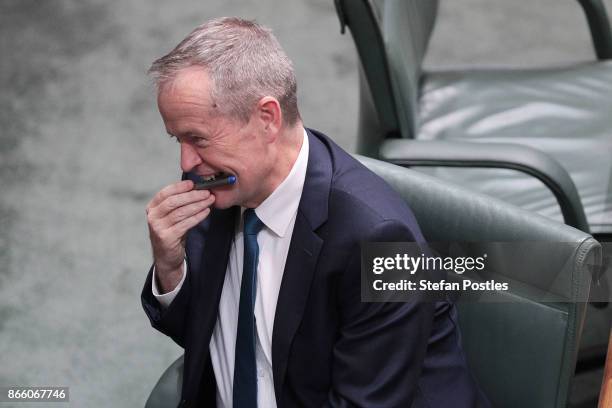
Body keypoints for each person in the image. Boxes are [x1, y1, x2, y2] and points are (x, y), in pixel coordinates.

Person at [141, 17, 489, 408]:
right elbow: (209, 335)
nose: (186, 161)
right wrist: (171, 269)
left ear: (267, 118)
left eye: (197, 139)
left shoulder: (381, 241)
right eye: (178, 139)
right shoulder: (221, 182)